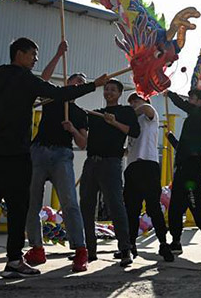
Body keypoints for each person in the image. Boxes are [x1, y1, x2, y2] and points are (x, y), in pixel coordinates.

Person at [0, 38, 106, 278]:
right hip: (18, 152)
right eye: (32, 55)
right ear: (19, 54)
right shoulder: (25, 79)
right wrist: (94, 85)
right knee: (20, 206)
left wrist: (6, 109)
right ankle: (14, 260)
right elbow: (57, 93)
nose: (35, 59)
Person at [24, 61, 90, 272]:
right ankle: (37, 248)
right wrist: (59, 54)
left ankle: (80, 251)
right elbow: (42, 80)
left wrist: (72, 130)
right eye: (75, 81)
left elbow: (83, 143)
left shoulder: (80, 114)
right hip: (39, 151)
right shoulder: (52, 99)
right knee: (31, 202)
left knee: (70, 202)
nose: (77, 85)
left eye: (82, 84)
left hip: (62, 155)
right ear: (66, 82)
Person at [80, 79, 139, 267]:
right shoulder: (96, 114)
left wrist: (114, 123)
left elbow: (134, 132)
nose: (108, 92)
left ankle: (125, 250)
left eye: (113, 89)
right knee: (87, 207)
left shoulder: (125, 112)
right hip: (91, 163)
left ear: (120, 93)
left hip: (111, 163)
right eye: (106, 89)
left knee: (116, 206)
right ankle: (89, 251)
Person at [165, 88, 201, 261]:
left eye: (192, 99)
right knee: (175, 206)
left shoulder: (200, 115)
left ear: (200, 102)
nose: (190, 101)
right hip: (182, 168)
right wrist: (172, 139)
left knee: (195, 204)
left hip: (192, 170)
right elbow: (184, 148)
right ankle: (176, 241)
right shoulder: (192, 121)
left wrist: (170, 94)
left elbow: (183, 104)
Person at [123, 91, 174, 262]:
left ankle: (163, 244)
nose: (133, 105)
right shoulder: (131, 124)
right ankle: (130, 245)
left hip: (148, 165)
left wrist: (131, 111)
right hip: (132, 167)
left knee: (153, 208)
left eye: (135, 101)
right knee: (131, 209)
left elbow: (145, 108)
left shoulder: (149, 116)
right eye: (130, 103)